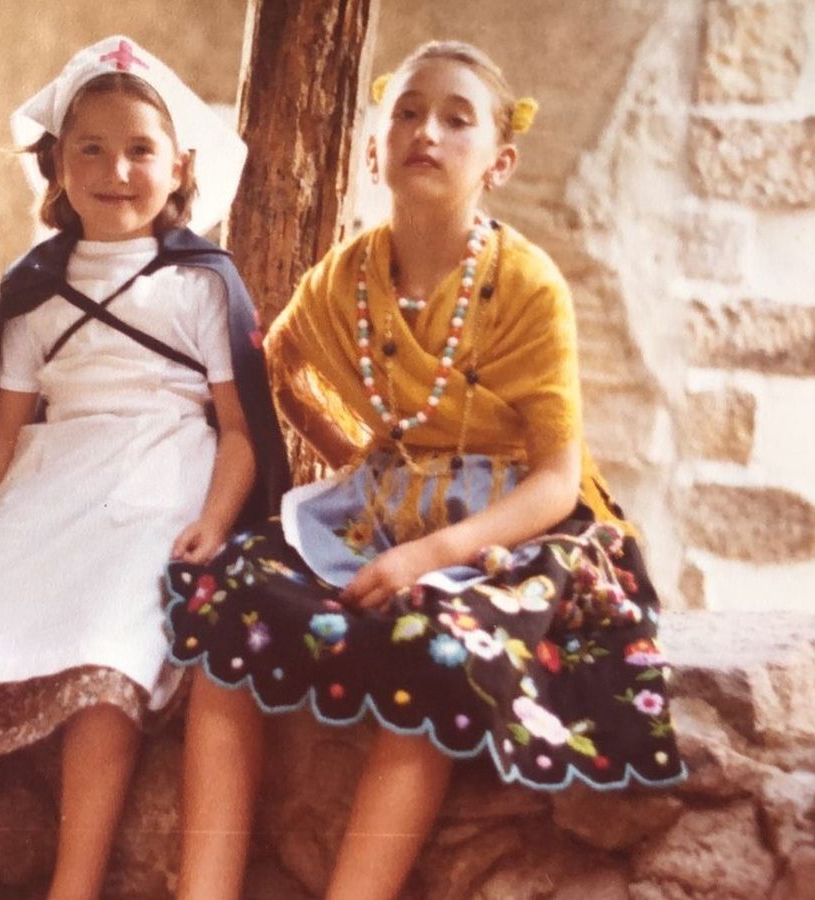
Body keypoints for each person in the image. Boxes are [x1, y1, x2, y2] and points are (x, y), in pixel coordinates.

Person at [167, 40, 684, 900]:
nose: (426, 132)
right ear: (374, 147)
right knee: (228, 604)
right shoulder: (350, 275)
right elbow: (280, 369)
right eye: (406, 112)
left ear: (499, 162)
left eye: (456, 118)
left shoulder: (527, 286)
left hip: (513, 528)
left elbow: (556, 481)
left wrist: (427, 553)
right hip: (387, 503)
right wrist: (359, 464)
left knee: (436, 644)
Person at [0, 36, 287, 900]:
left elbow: (242, 429)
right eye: (91, 150)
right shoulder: (33, 292)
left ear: (179, 164)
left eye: (140, 149)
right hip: (48, 483)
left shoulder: (201, 286)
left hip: (158, 482)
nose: (117, 170)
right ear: (57, 167)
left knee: (108, 663)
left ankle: (74, 886)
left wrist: (215, 522)